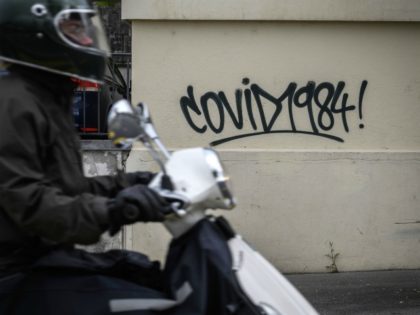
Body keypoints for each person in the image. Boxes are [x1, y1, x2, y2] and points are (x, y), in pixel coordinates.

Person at [0, 1, 168, 313]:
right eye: (75, 29)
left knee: (149, 280)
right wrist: (117, 210)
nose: (88, 40)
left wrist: (130, 184)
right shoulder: (12, 104)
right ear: (35, 34)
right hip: (13, 275)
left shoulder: (44, 97)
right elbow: (31, 201)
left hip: (41, 262)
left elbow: (66, 188)